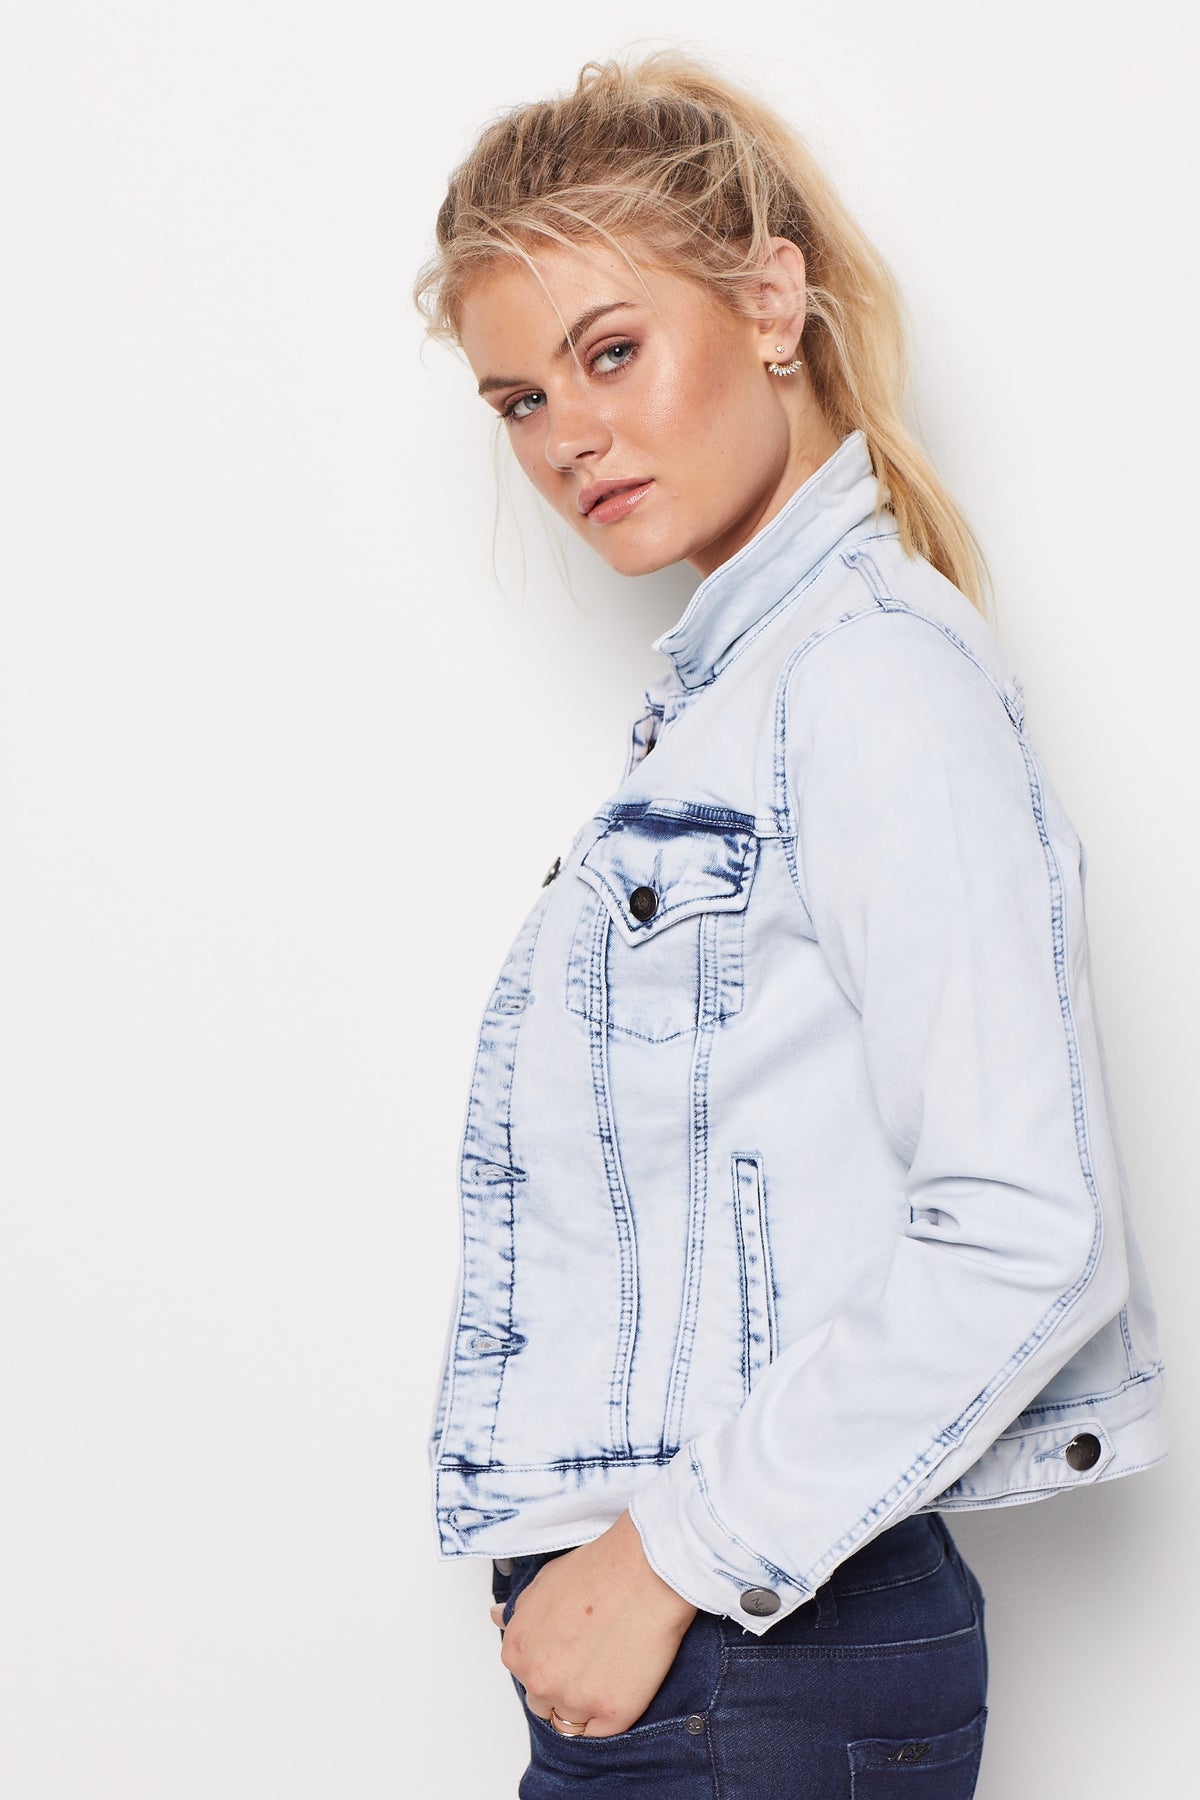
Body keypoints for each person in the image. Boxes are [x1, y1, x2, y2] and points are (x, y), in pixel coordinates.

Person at [413, 52, 1167, 1798]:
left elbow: (1028, 1229)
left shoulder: (870, 680)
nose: (567, 437)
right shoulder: (745, 697)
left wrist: (662, 1559)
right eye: (518, 398)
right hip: (726, 1669)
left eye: (610, 352)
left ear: (769, 303)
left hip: (754, 1659)